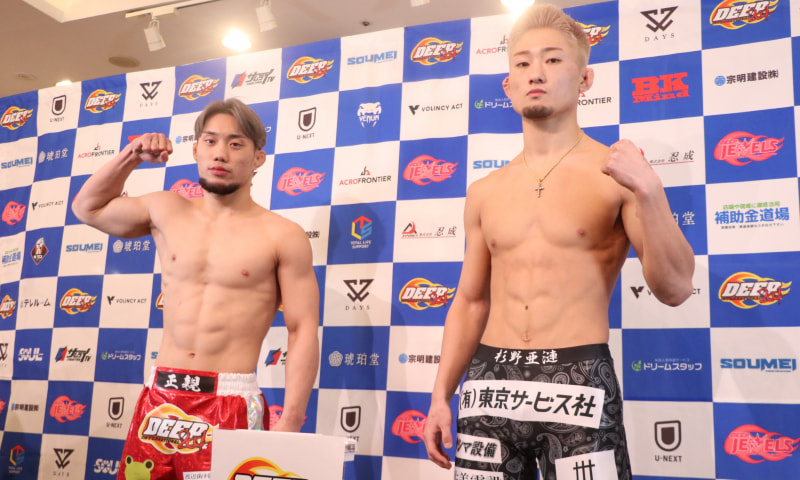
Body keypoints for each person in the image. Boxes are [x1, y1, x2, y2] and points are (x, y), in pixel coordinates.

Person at [422, 4, 695, 480]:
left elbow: (675, 289)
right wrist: (440, 395)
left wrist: (650, 190)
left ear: (585, 79)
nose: (536, 72)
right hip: (490, 381)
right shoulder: (484, 191)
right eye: (523, 62)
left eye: (552, 59)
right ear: (508, 85)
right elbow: (470, 301)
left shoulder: (616, 175)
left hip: (577, 380)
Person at [72, 98, 320, 480]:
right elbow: (87, 208)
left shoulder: (283, 235)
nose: (220, 153)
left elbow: (302, 328)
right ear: (195, 150)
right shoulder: (166, 210)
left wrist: (291, 419)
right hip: (161, 399)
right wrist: (132, 155)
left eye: (235, 143)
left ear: (258, 158)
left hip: (231, 401)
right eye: (210, 141)